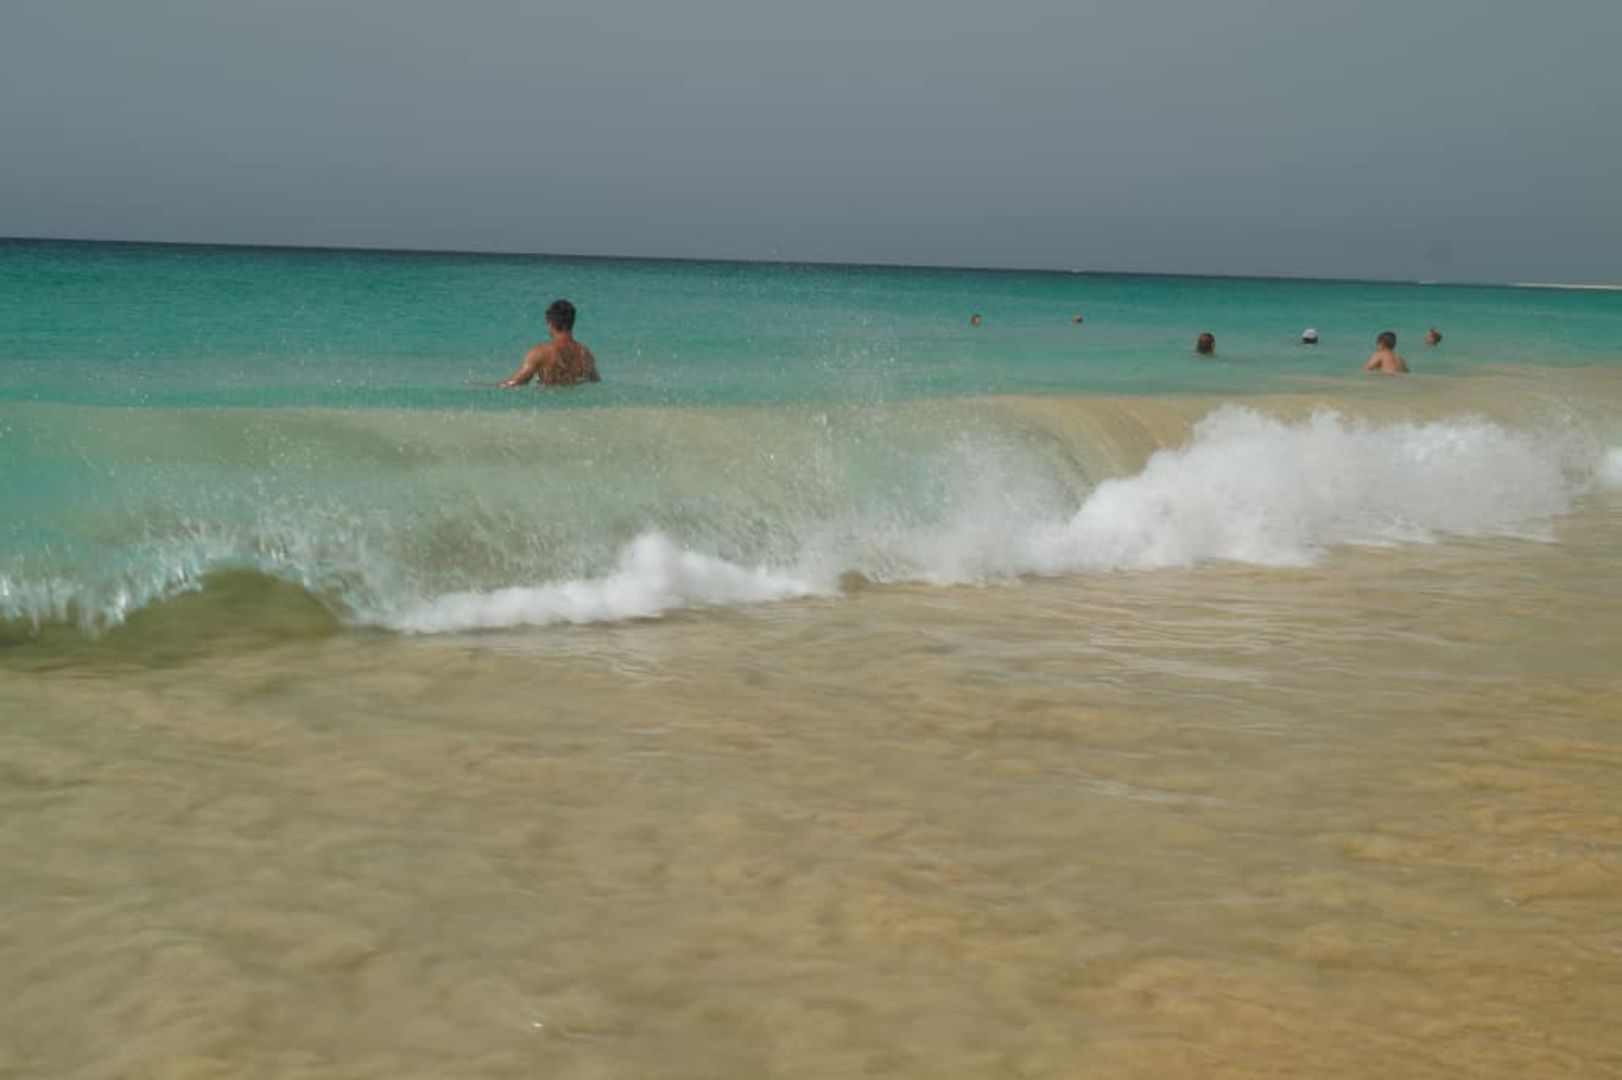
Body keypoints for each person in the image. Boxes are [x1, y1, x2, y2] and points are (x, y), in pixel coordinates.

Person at [501, 299, 600, 388]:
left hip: (548, 402)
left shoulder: (541, 353)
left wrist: (493, 388)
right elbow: (596, 383)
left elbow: (515, 383)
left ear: (550, 324)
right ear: (572, 323)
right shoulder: (585, 355)